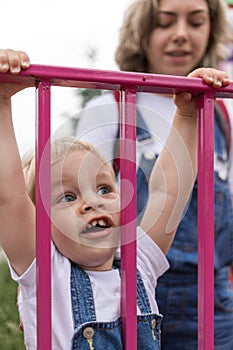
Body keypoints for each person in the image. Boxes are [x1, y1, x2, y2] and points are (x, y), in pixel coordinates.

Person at [0, 51, 230, 349]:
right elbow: (10, 197)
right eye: (68, 196)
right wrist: (2, 101)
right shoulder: (45, 273)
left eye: (105, 189)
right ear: (39, 225)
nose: (92, 202)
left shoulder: (139, 262)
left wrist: (187, 115)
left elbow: (167, 192)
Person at [75, 0, 233, 349]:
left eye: (195, 22)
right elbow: (71, 209)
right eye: (164, 22)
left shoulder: (221, 113)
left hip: (214, 300)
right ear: (142, 30)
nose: (181, 35)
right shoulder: (110, 108)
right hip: (129, 294)